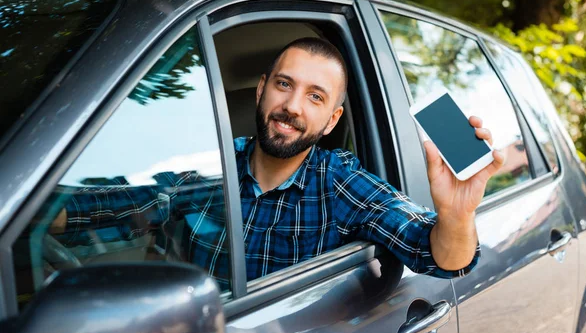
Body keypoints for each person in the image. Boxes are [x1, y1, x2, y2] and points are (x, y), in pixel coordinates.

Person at [50, 37, 504, 290]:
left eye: (315, 97)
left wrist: (456, 213)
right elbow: (116, 203)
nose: (291, 106)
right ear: (261, 89)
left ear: (331, 121)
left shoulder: (339, 181)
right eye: (284, 84)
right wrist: (29, 207)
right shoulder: (213, 167)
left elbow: (444, 259)